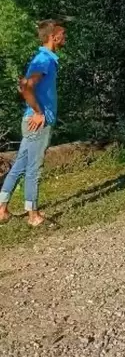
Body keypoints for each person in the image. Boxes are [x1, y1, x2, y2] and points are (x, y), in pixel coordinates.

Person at [0, 20, 66, 227]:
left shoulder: (44, 59)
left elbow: (25, 86)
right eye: (63, 34)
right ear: (53, 37)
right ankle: (33, 215)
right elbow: (26, 87)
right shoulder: (43, 60)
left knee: (20, 165)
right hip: (38, 122)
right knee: (34, 168)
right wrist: (39, 112)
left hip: (32, 121)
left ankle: (1, 209)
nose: (65, 37)